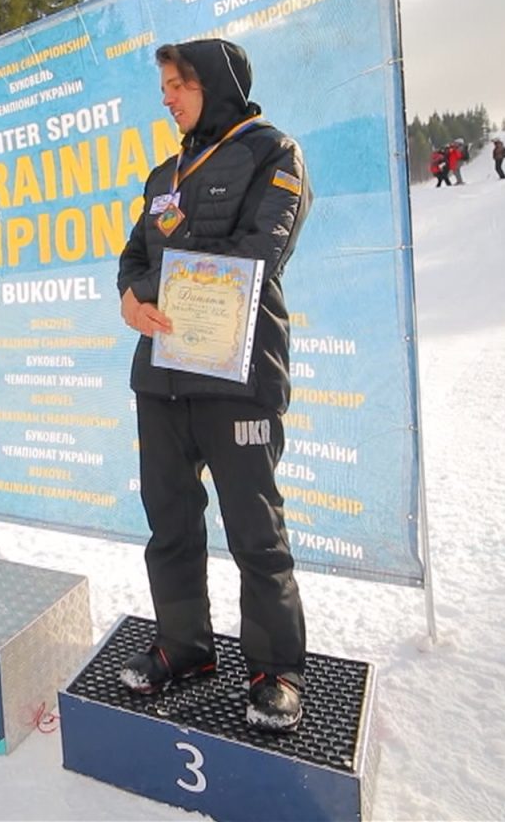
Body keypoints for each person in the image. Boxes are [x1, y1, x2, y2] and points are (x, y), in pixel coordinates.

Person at [116, 39, 310, 732]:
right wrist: (130, 297)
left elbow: (260, 253)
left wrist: (155, 283)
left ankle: (276, 670)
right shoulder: (163, 173)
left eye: (178, 84)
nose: (166, 97)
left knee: (256, 533)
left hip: (239, 376)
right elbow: (133, 253)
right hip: (162, 377)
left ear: (216, 84)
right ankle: (185, 647)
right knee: (169, 523)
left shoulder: (274, 153)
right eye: (165, 85)